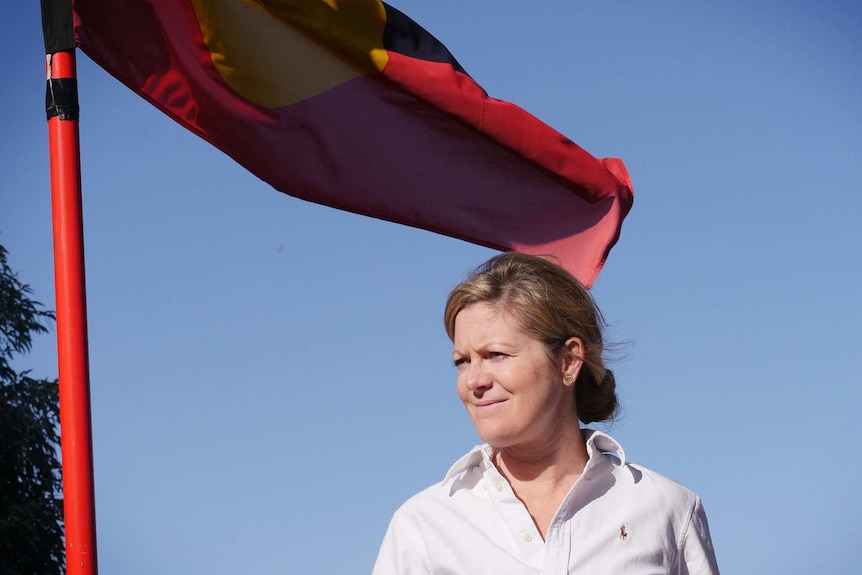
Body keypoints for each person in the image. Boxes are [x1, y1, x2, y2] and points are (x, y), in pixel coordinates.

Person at [372, 252, 719, 574]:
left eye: (496, 355)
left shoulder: (667, 509)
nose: (473, 381)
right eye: (462, 362)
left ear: (568, 361)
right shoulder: (423, 527)